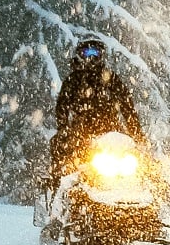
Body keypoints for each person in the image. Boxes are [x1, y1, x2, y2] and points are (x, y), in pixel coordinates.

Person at [49, 38, 145, 182]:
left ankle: (148, 186)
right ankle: (59, 183)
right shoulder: (73, 79)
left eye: (96, 53)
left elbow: (127, 106)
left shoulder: (110, 78)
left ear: (102, 55)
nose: (91, 58)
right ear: (80, 55)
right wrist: (64, 128)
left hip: (110, 131)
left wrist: (136, 133)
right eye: (87, 53)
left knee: (137, 159)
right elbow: (62, 106)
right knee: (61, 149)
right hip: (81, 132)